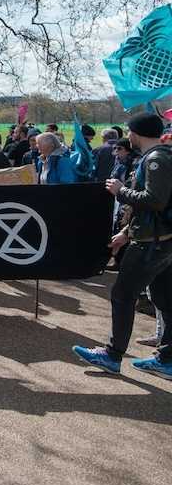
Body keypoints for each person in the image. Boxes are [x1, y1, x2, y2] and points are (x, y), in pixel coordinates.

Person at [73, 113, 172, 378]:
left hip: (151, 245)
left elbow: (155, 201)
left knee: (122, 295)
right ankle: (166, 359)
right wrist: (127, 232)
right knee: (164, 299)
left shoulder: (155, 160)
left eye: (130, 131)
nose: (128, 136)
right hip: (161, 240)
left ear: (136, 132)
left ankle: (112, 355)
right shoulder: (163, 156)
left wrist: (120, 190)